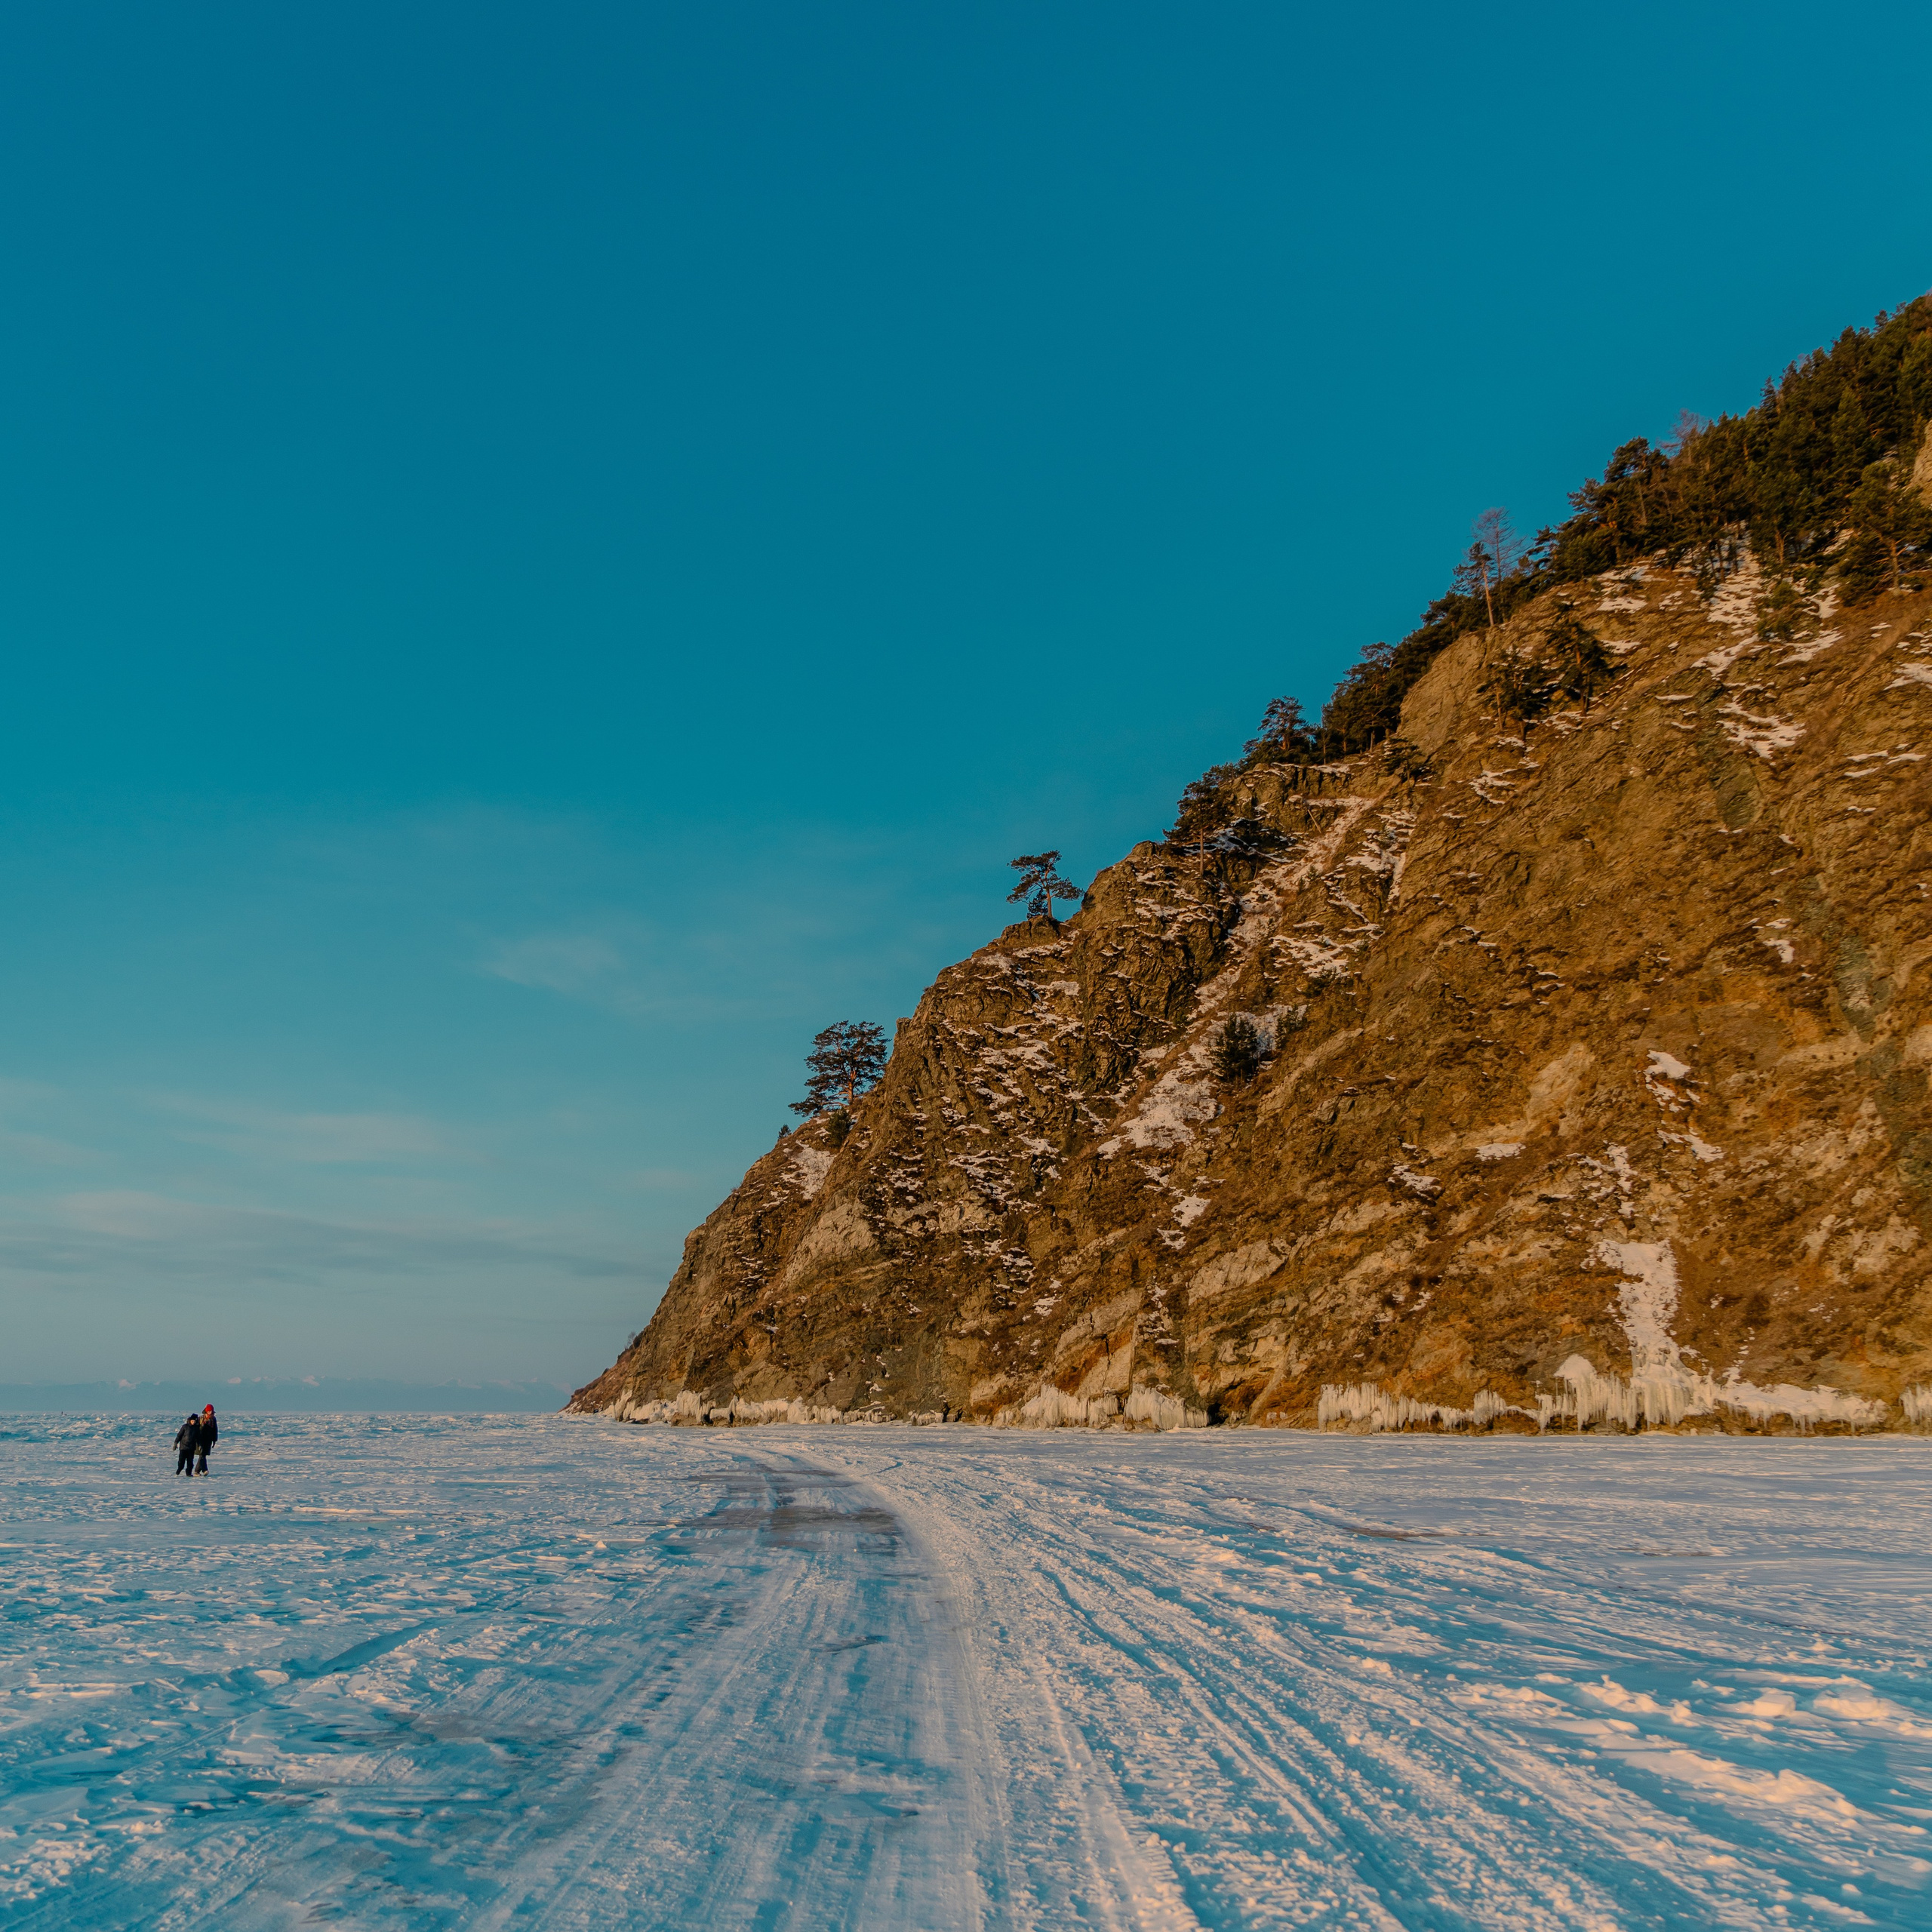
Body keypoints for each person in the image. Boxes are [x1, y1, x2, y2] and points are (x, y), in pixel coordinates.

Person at [174, 1412, 199, 1476]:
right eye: (192, 1421)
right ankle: (179, 1469)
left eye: (194, 1421)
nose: (193, 1422)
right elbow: (179, 1435)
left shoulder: (196, 1428)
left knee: (190, 1462)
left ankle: (188, 1473)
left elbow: (198, 1438)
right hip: (183, 1447)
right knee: (181, 1461)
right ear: (190, 1420)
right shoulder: (185, 1427)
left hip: (191, 1448)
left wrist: (200, 1445)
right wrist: (176, 1443)